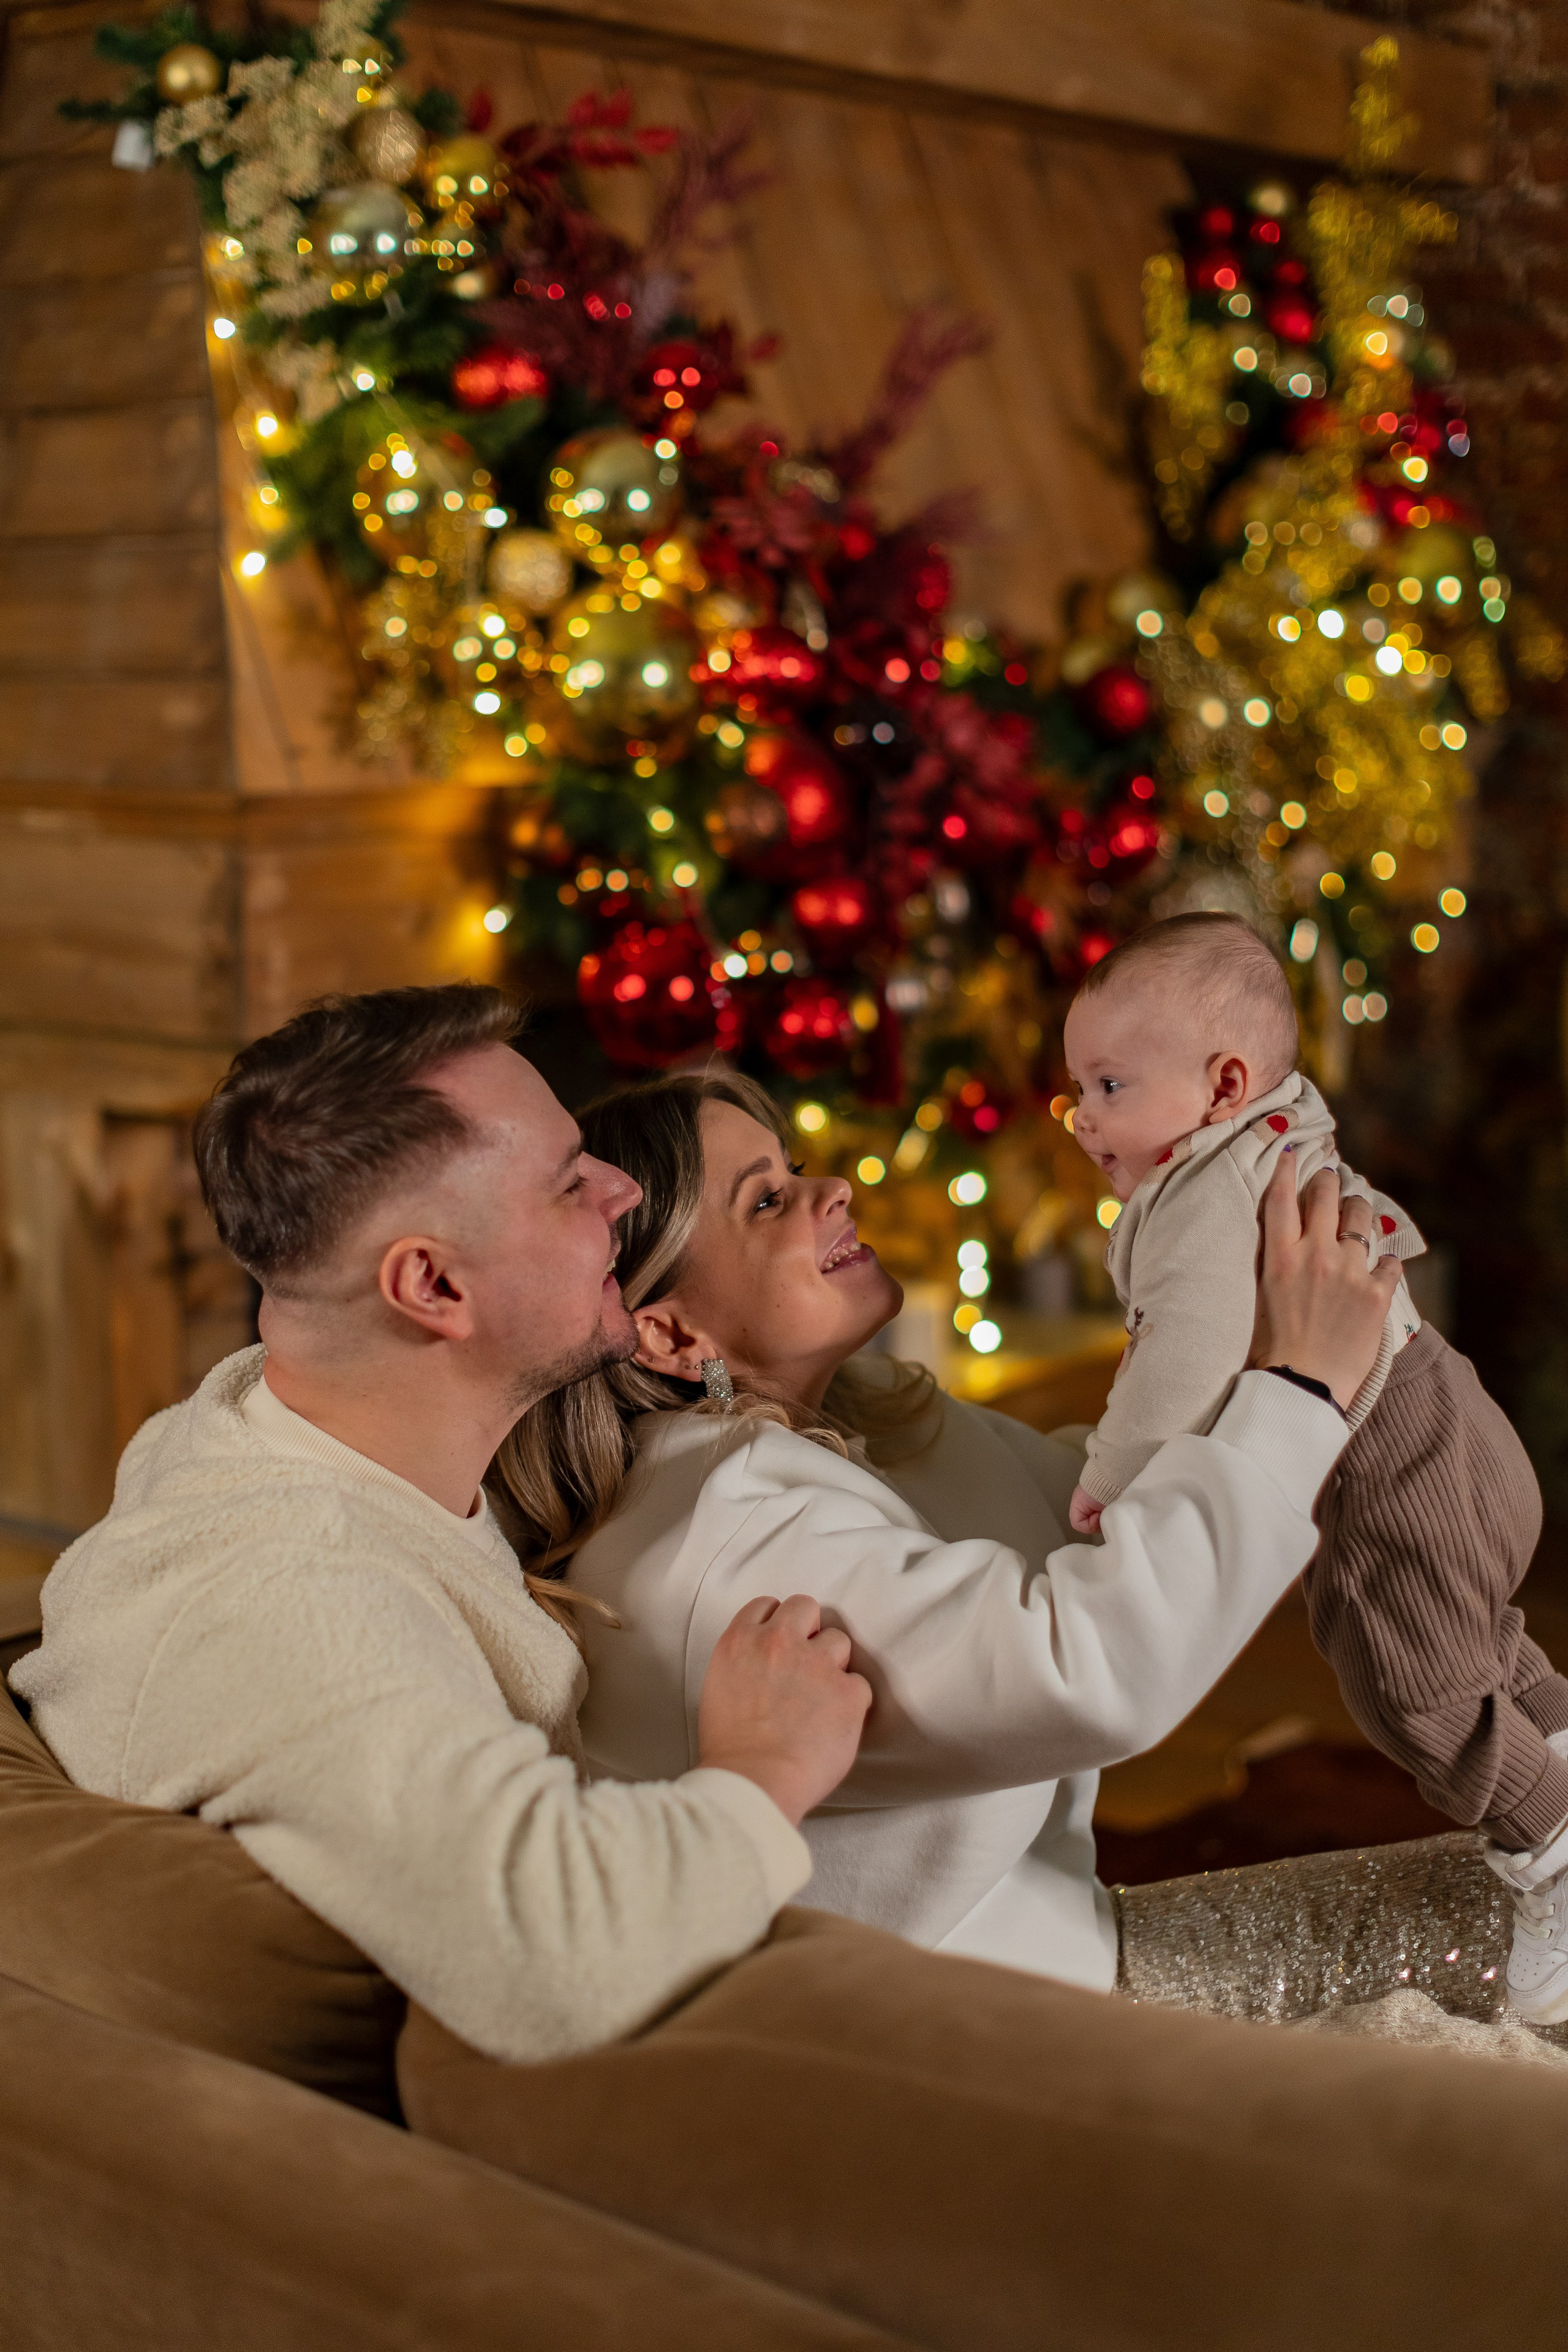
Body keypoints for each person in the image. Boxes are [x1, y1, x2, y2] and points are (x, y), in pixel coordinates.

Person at [12, 986, 872, 2065]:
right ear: (431, 1286)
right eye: (570, 1183)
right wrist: (763, 1764)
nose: (622, 1189)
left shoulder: (272, 1416)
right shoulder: (290, 1603)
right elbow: (562, 1958)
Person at [496, 1063, 1398, 1990]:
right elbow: (1089, 1667)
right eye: (766, 1202)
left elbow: (1085, 1508)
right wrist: (1298, 1388)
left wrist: (1222, 1303)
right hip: (953, 2031)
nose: (831, 1189)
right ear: (673, 1336)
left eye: (793, 1169)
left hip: (1065, 1950)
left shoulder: (852, 1410)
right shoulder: (728, 1532)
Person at [1063, 911, 1568, 2025]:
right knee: (1478, 1643)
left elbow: (1187, 1351)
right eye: (1079, 1090)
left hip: (1399, 1466)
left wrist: (1112, 1476)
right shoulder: (1272, 1136)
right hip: (1452, 1420)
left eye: (1109, 1086)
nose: (1083, 1117)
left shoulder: (1206, 1198)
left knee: (1415, 1685)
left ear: (1224, 1084)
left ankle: (1554, 1846)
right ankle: (1560, 1745)